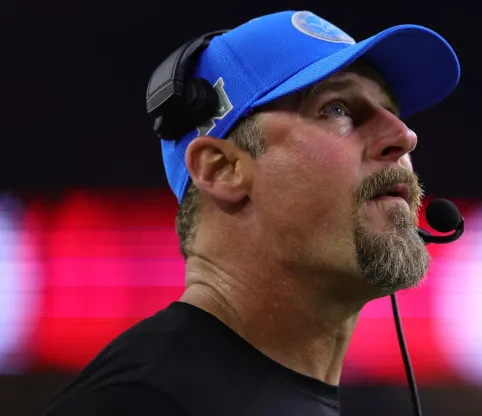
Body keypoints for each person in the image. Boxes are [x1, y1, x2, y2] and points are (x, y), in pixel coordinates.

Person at [41, 10, 460, 416]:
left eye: (394, 112)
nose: (405, 137)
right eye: (337, 109)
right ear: (221, 170)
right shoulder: (138, 402)